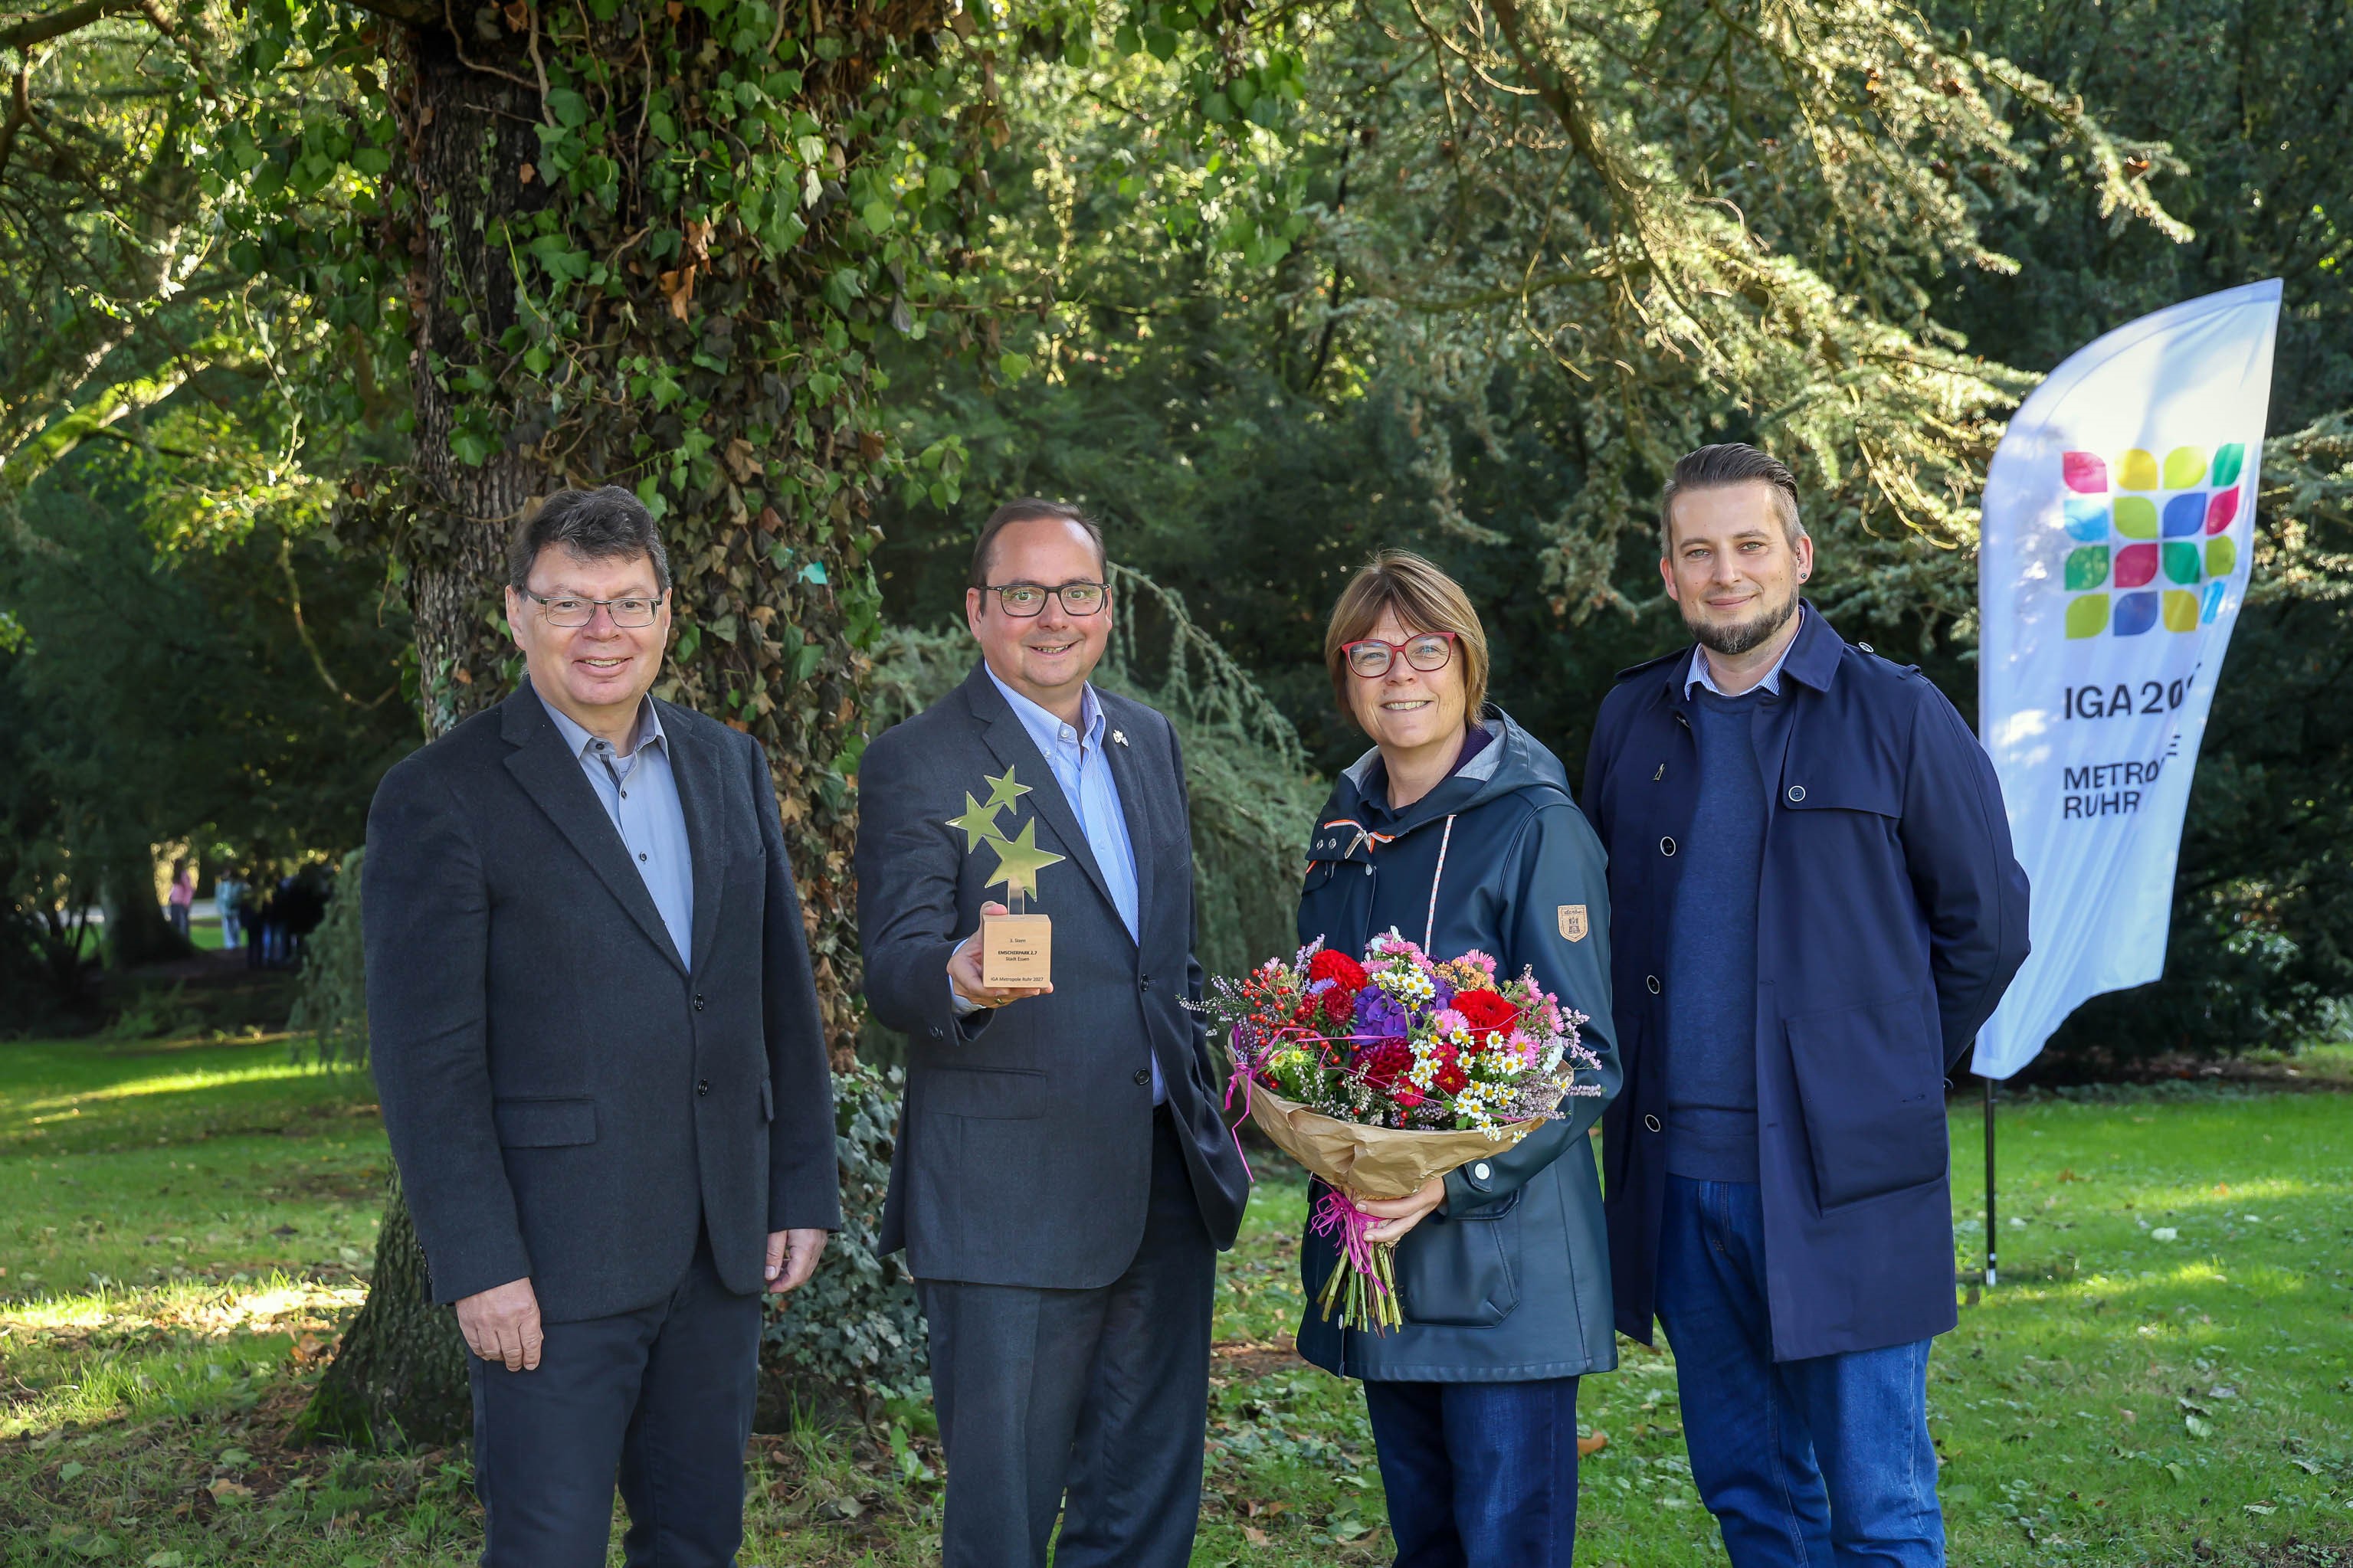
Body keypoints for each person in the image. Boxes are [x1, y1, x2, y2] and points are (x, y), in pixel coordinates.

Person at [363, 485, 841, 1568]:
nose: (601, 631)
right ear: (514, 613)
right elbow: (426, 1061)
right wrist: (478, 1261)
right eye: (570, 602)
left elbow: (777, 994)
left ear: (667, 612)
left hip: (720, 1249)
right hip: (551, 1262)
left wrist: (799, 1184)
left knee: (696, 1538)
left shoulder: (730, 765)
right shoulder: (438, 796)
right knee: (548, 1546)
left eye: (626, 603)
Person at [1584, 444, 2030, 1566]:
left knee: (1878, 1508)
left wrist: (1878, 1072)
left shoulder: (1897, 715)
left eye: (1748, 544)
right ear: (1668, 570)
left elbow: (1986, 925)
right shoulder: (1631, 722)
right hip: (1678, 1181)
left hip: (1848, 1181)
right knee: (1753, 1499)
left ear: (1797, 554)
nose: (1724, 571)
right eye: (1698, 550)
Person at [855, 498, 1252, 1568]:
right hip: (1008, 1201)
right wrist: (958, 973)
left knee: (1143, 1501)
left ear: (1107, 608)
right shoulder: (919, 760)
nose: (1051, 615)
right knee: (1003, 1518)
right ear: (978, 611)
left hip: (1161, 1179)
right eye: (1022, 593)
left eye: (1074, 591)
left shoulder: (1145, 739)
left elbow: (1163, 956)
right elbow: (889, 962)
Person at [1293, 550, 1621, 1568]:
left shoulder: (1535, 824)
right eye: (1373, 650)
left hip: (1502, 1269)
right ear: (1345, 672)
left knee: (1505, 1544)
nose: (1400, 672)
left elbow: (1584, 1059)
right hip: (1383, 1258)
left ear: (1466, 661)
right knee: (1427, 1542)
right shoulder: (1341, 830)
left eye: (1424, 647)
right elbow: (1317, 1030)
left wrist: (1451, 1179)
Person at [213, 869, 244, 951]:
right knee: (227, 926)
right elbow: (219, 898)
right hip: (226, 909)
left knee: (236, 926)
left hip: (235, 909)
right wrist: (220, 908)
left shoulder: (239, 885)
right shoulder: (223, 885)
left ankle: (236, 942)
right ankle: (229, 943)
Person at [165, 859, 194, 940]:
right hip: (174, 904)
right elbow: (175, 888)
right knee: (175, 925)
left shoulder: (184, 875)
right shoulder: (175, 875)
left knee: (183, 927)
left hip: (182, 904)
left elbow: (189, 890)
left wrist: (186, 903)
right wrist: (170, 896)